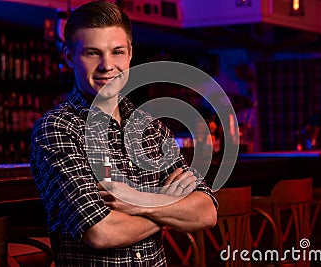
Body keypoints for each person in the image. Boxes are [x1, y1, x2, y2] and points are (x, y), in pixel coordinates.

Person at [30, 1, 217, 265]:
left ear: (130, 54)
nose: (107, 65)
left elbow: (206, 212)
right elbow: (101, 231)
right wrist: (169, 205)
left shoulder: (151, 128)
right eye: (93, 53)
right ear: (70, 57)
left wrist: (140, 203)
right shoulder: (57, 130)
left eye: (117, 51)